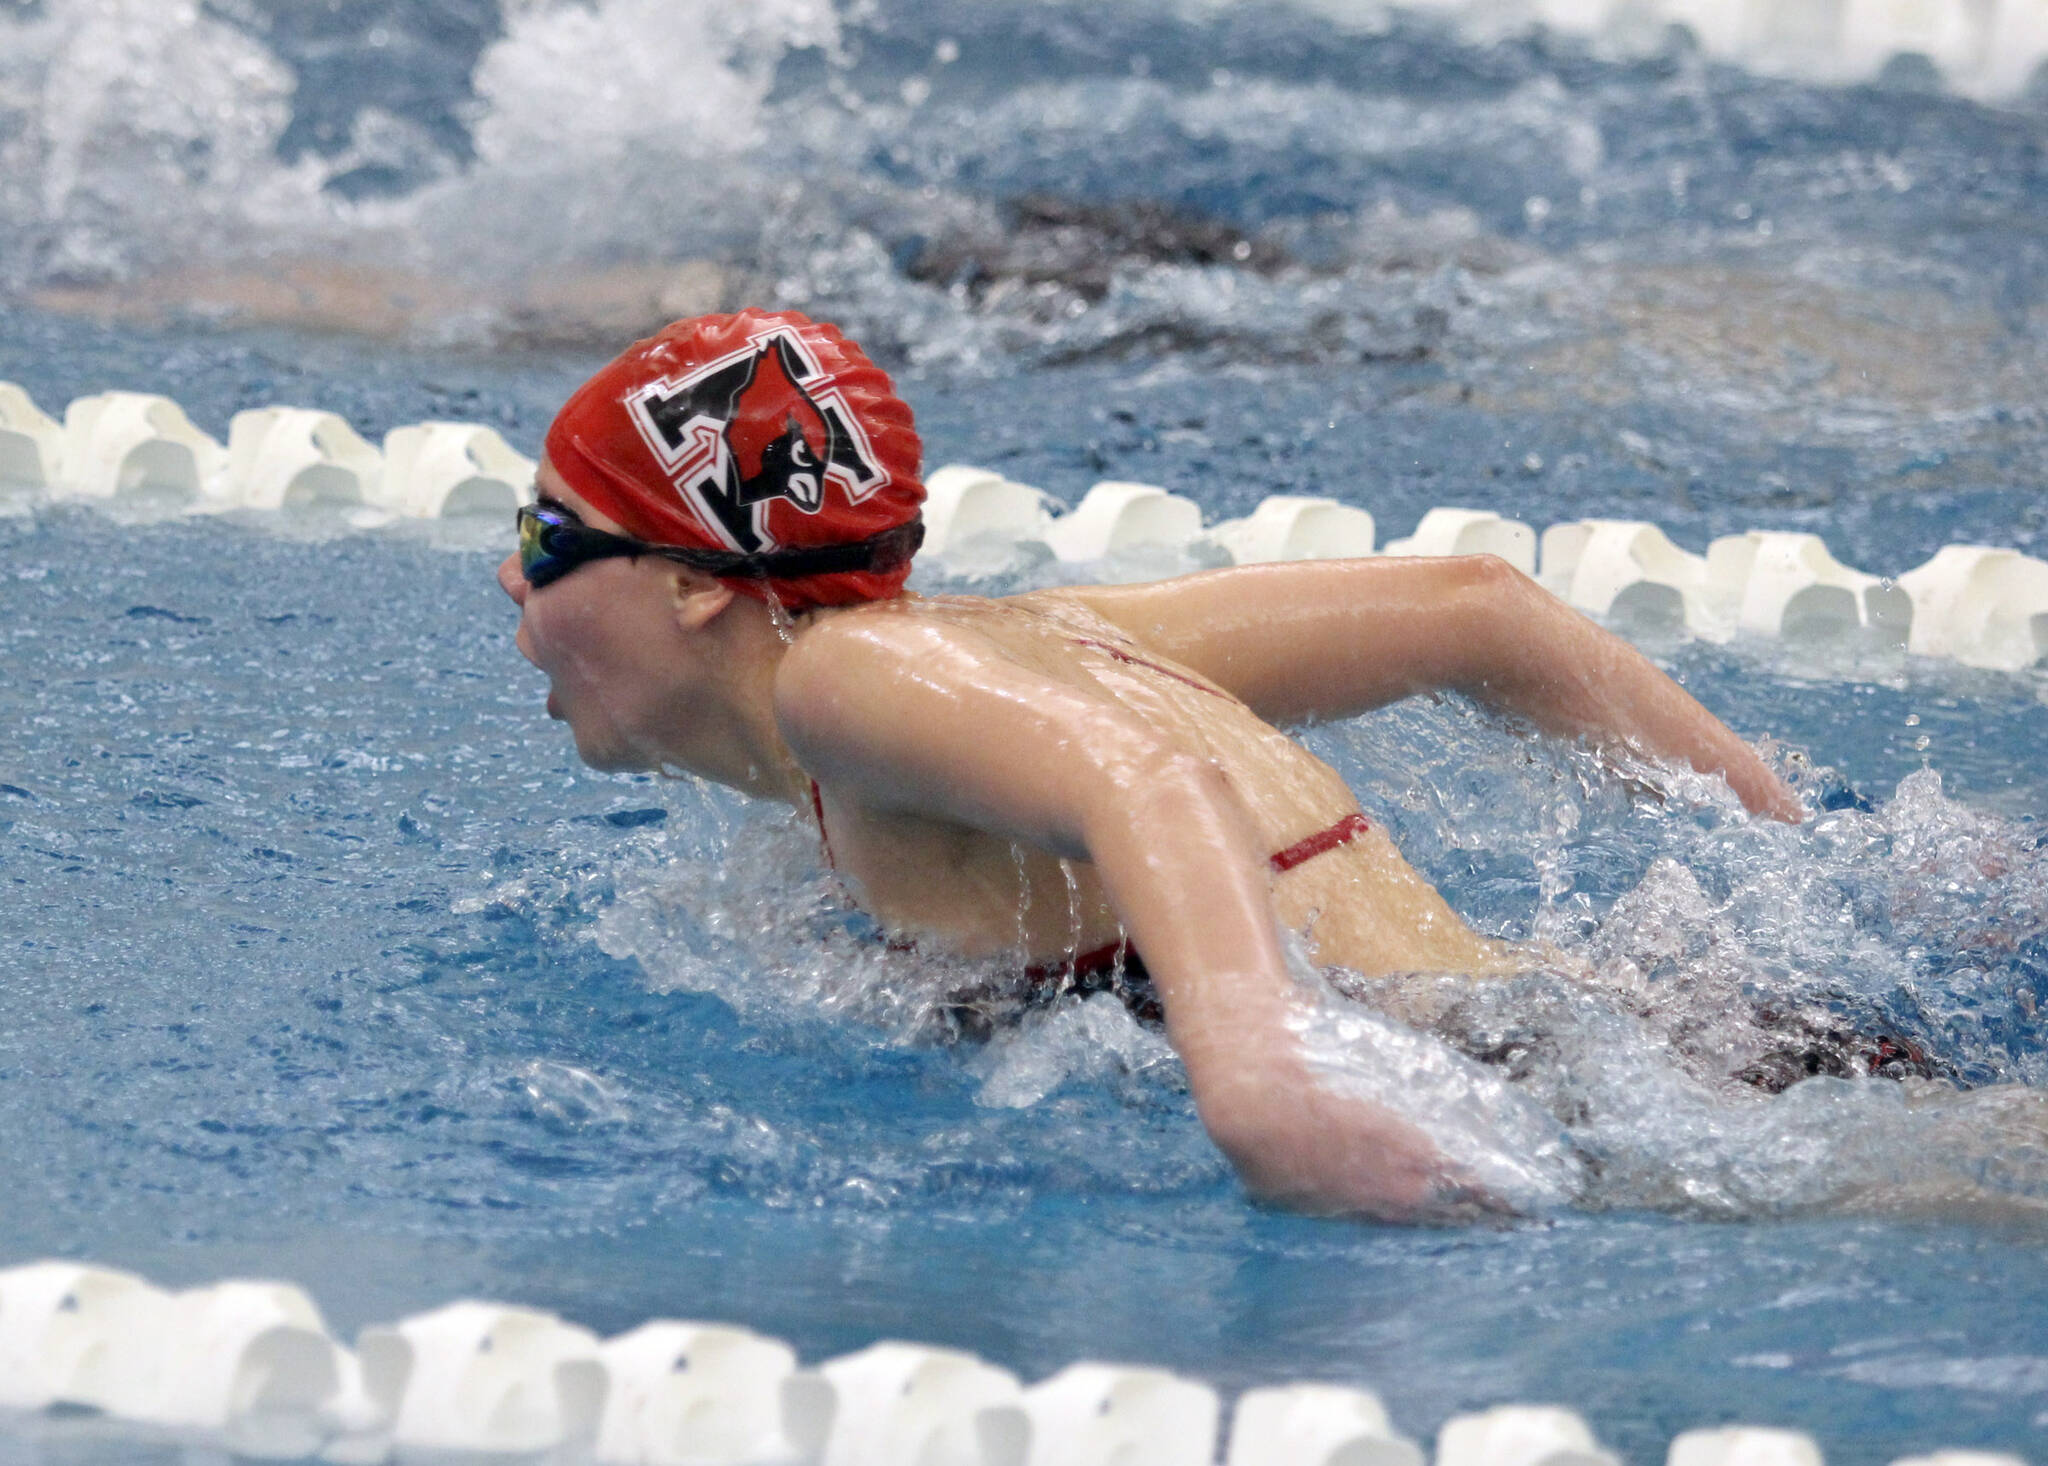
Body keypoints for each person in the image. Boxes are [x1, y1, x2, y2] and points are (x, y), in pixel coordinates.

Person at [497, 308, 1808, 1222]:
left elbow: (1161, 789)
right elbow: (1478, 608)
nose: (512, 571)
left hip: (1550, 1085)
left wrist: (1262, 1089)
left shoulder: (841, 681)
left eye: (550, 529)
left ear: (686, 584)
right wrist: (1784, 835)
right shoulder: (1023, 638)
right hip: (1654, 1027)